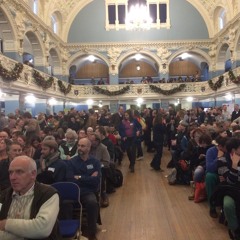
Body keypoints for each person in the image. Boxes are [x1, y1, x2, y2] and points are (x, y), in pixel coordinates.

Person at [0, 156, 60, 239]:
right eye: (10, 172)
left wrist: (5, 224)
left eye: (19, 172)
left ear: (33, 174)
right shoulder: (4, 195)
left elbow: (42, 228)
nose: (12, 177)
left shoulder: (48, 194)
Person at [66, 137, 101, 240]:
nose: (79, 148)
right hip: (74, 191)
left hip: (87, 191)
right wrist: (89, 177)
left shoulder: (95, 162)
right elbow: (70, 180)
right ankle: (68, 234)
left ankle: (92, 232)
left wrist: (80, 177)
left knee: (92, 203)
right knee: (64, 204)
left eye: (83, 146)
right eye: (78, 145)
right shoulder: (72, 162)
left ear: (89, 148)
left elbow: (96, 181)